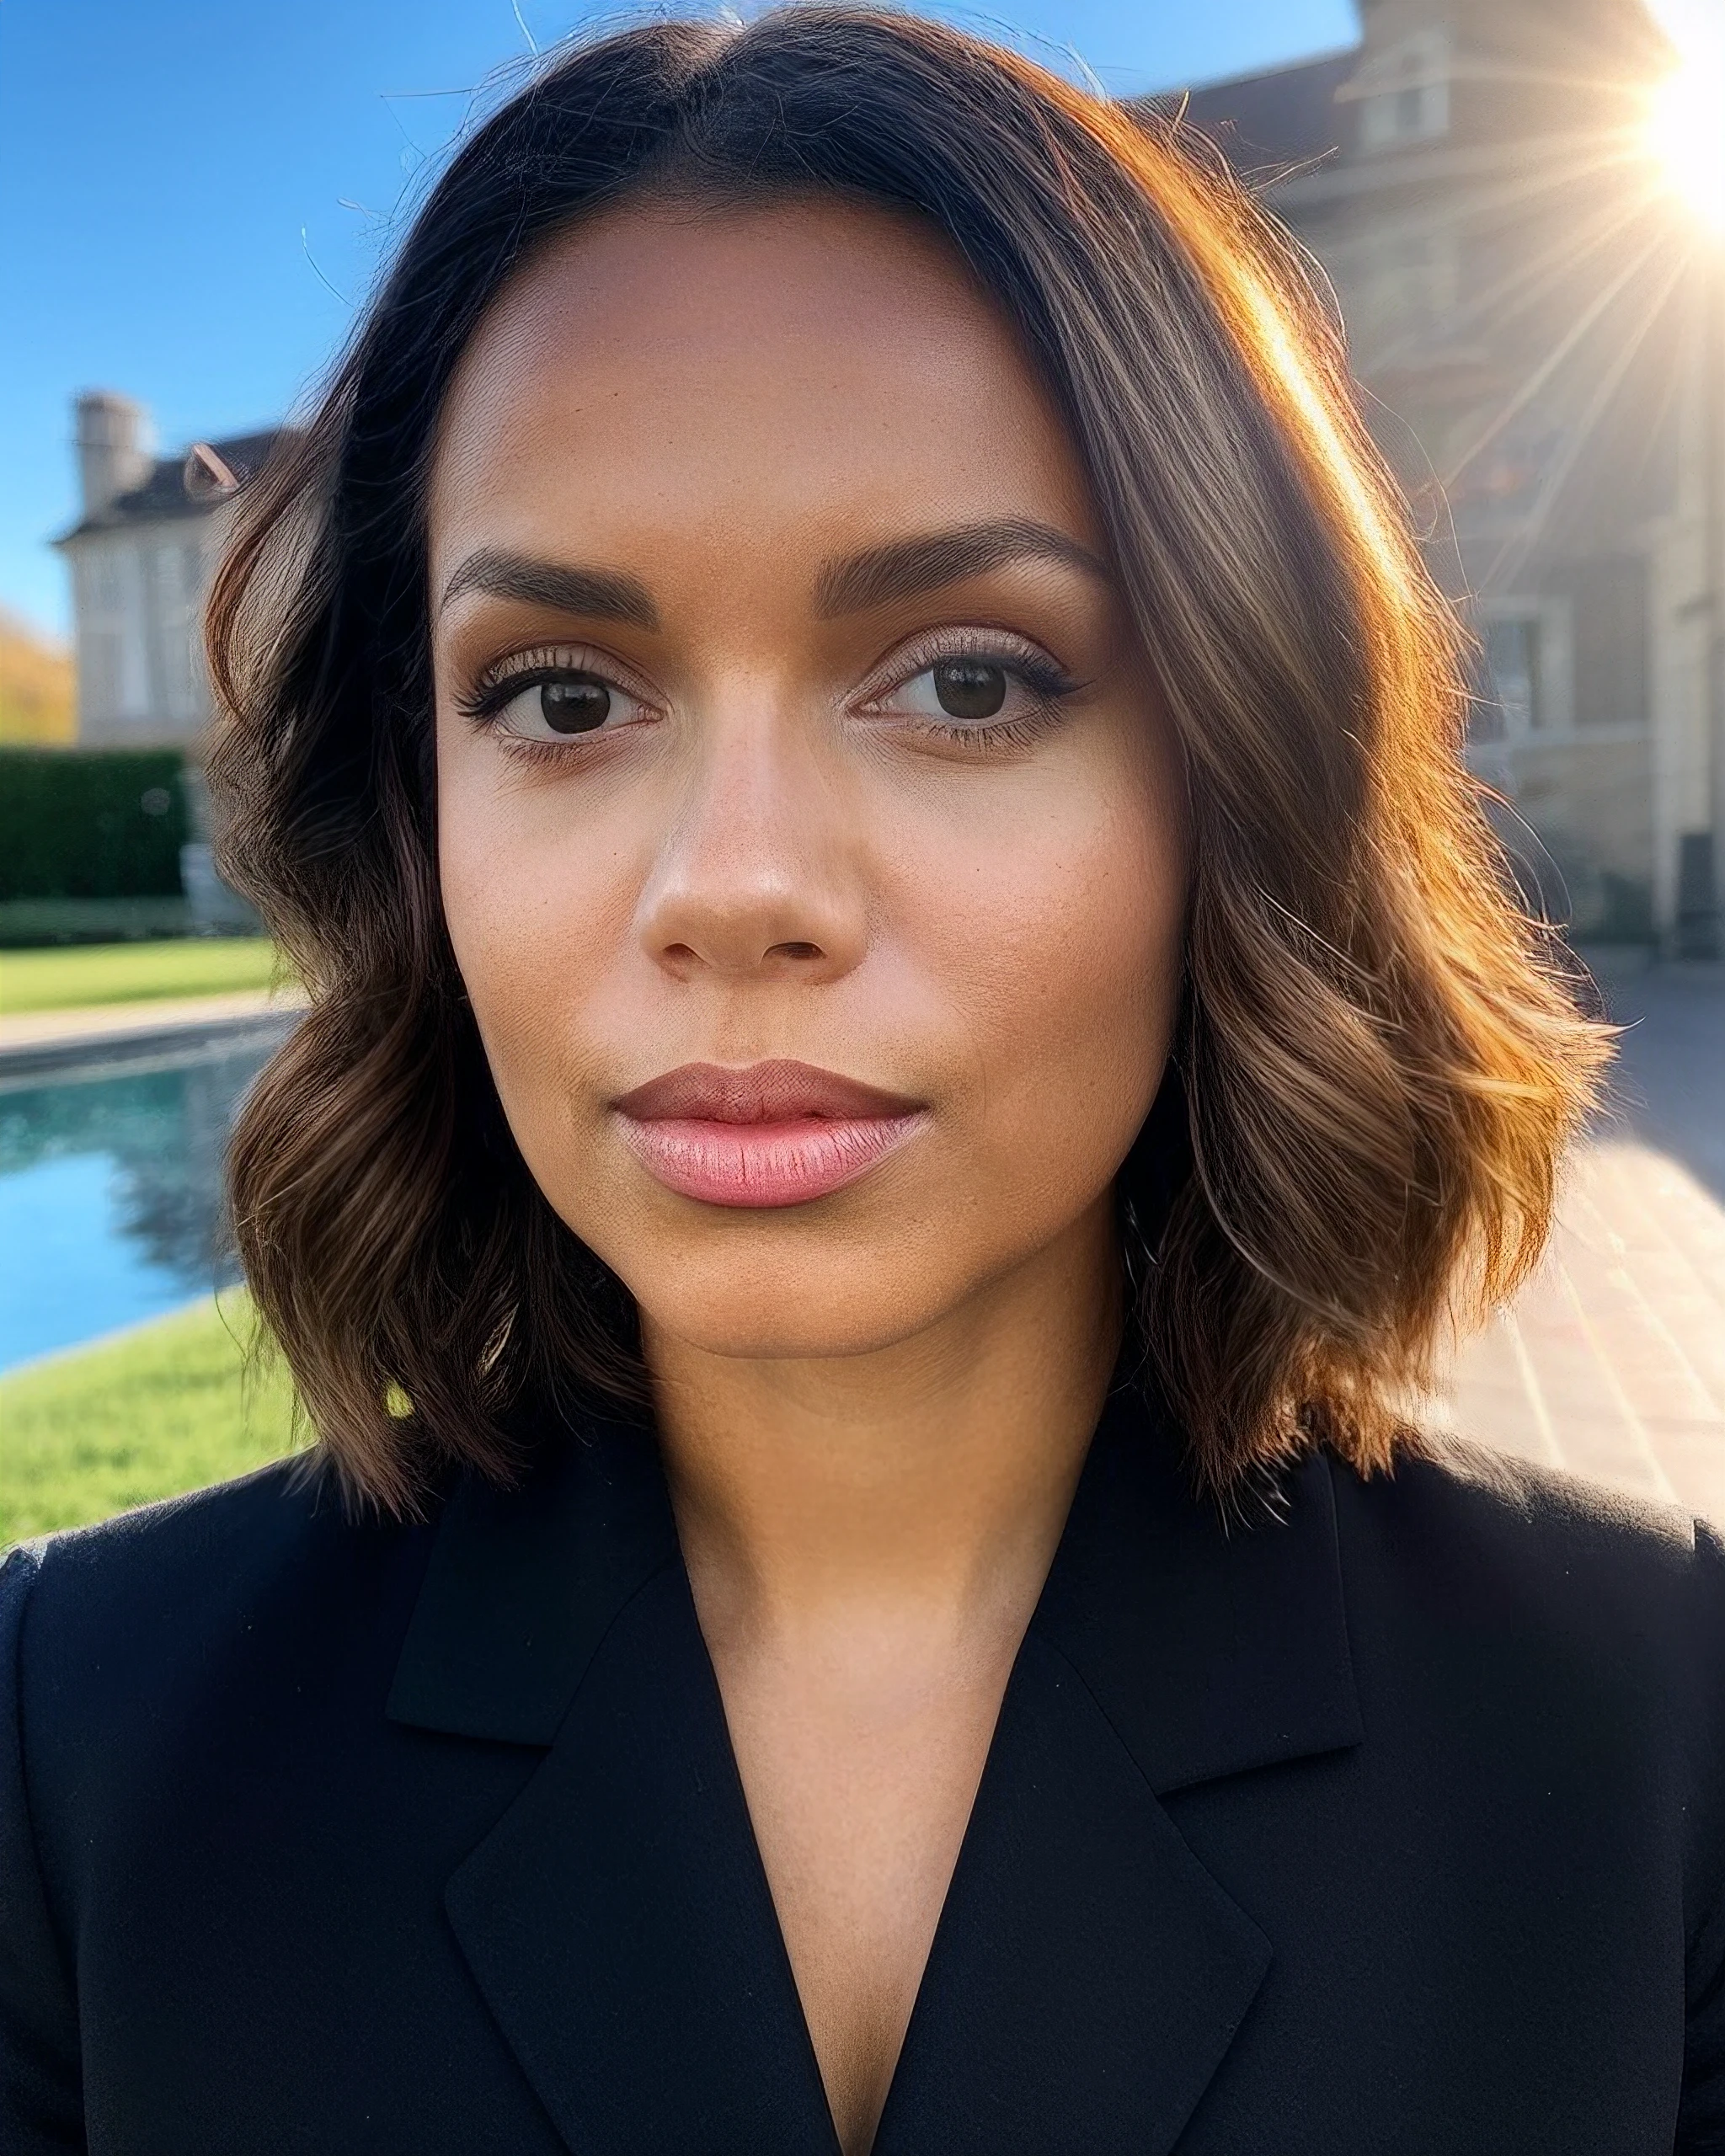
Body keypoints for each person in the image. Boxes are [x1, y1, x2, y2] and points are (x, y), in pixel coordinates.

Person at [3, 12, 1720, 2152]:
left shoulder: (1658, 1728)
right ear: (406, 809)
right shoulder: (80, 1734)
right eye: (556, 692)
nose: (733, 888)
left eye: (967, 677)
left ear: (1238, 768)